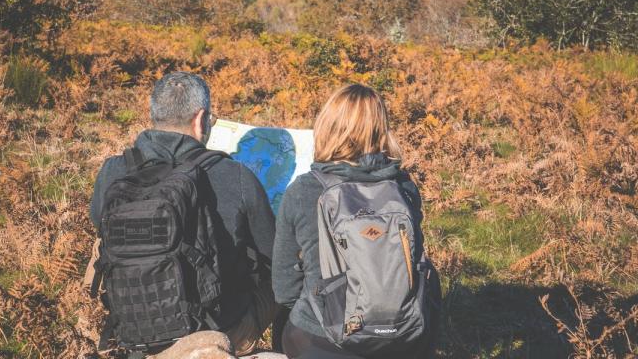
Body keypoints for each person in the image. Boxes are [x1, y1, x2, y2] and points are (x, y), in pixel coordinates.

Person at [89, 72, 277, 357]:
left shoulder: (113, 171)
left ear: (155, 115)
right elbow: (271, 255)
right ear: (201, 119)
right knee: (283, 279)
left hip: (134, 330)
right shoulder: (235, 175)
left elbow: (98, 226)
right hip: (219, 330)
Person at [272, 84, 440, 359]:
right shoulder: (404, 188)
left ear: (326, 126)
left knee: (286, 319)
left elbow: (283, 288)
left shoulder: (304, 190)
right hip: (404, 338)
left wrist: (316, 306)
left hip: (321, 340)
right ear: (382, 128)